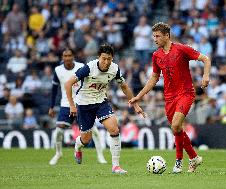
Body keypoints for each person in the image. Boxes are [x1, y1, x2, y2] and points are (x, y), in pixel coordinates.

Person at [129, 22, 211, 173]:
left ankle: (178, 162)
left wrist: (205, 76)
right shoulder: (156, 55)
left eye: (158, 36)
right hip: (169, 97)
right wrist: (139, 96)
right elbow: (153, 78)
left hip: (186, 93)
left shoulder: (181, 49)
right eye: (153, 36)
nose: (155, 39)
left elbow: (205, 58)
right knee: (177, 128)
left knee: (175, 125)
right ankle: (194, 157)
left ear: (167, 36)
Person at [65, 44, 145, 174]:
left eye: (109, 59)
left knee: (114, 128)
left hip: (101, 102)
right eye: (103, 58)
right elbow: (68, 83)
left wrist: (135, 104)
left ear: (112, 58)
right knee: (86, 139)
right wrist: (72, 105)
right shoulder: (88, 68)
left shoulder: (114, 69)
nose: (106, 62)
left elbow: (124, 86)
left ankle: (116, 166)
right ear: (98, 57)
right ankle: (78, 147)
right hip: (84, 104)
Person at [48, 49, 107, 165]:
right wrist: (51, 106)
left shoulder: (81, 67)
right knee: (59, 130)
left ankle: (100, 156)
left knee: (93, 130)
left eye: (70, 55)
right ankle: (58, 153)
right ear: (62, 57)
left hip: (82, 102)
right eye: (65, 55)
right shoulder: (58, 70)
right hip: (66, 104)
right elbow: (54, 89)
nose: (68, 58)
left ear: (73, 56)